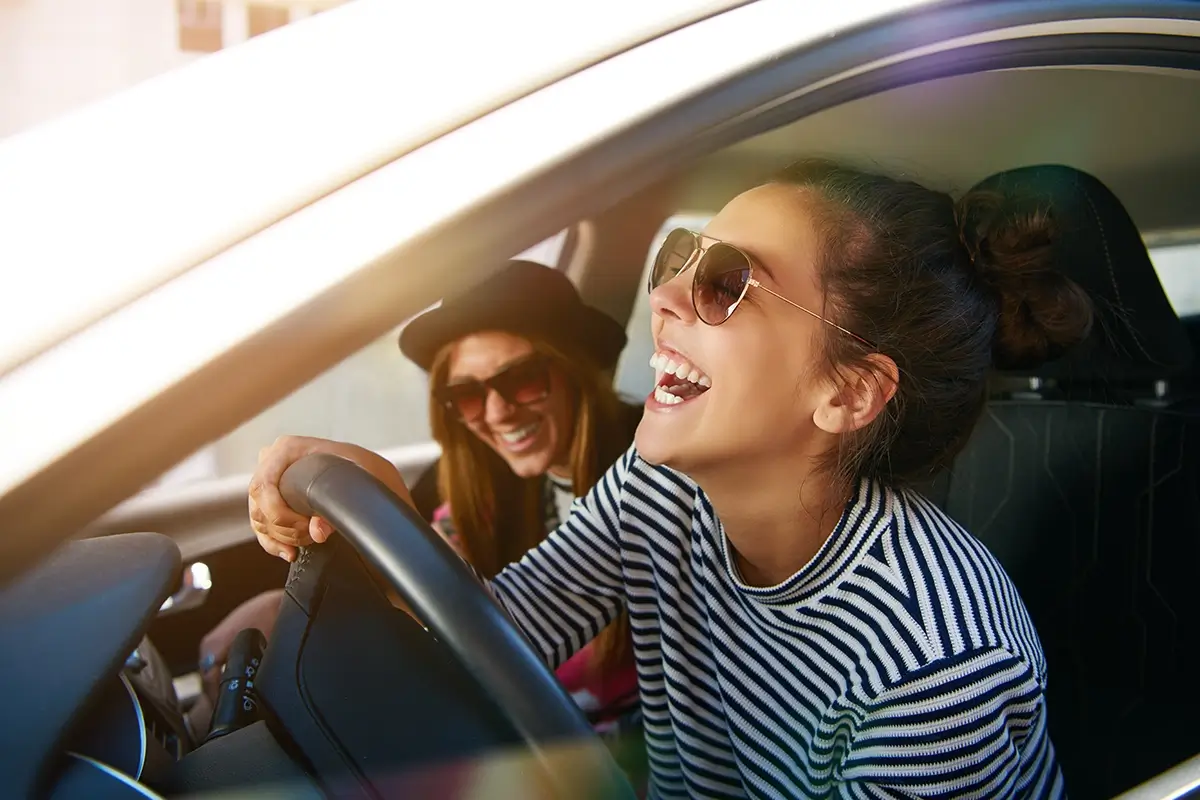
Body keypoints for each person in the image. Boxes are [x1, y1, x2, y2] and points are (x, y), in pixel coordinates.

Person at [249, 160, 1092, 798]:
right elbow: (493, 640)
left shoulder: (938, 663)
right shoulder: (666, 494)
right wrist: (379, 509)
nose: (667, 298)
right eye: (680, 258)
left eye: (728, 283)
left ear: (848, 391)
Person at [198, 261, 644, 753]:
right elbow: (451, 603)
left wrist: (378, 488)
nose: (497, 413)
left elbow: (505, 632)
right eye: (467, 394)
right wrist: (280, 609)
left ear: (576, 369)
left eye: (523, 379)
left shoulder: (647, 477)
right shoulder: (481, 477)